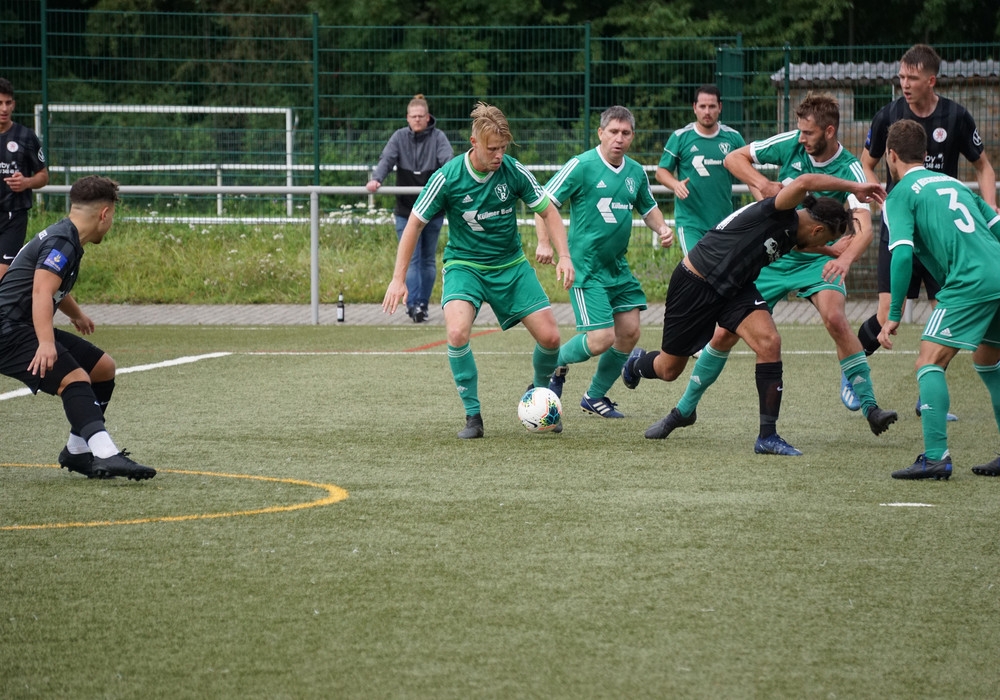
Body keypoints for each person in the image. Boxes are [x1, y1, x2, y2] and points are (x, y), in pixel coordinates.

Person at [654, 93, 896, 443]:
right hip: (773, 257)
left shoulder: (851, 170)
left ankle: (870, 406)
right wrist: (762, 183)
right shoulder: (790, 143)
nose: (802, 138)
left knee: (835, 318)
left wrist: (842, 259)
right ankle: (684, 409)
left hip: (818, 259)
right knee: (722, 335)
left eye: (809, 133)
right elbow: (734, 158)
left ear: (829, 131)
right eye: (800, 131)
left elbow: (865, 228)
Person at [621, 173, 887, 455]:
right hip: (696, 282)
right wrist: (855, 187)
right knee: (669, 369)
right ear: (817, 230)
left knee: (769, 342)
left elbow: (801, 243)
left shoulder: (796, 231)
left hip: (737, 288)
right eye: (827, 238)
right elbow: (805, 182)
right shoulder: (780, 209)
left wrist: (831, 252)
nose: (823, 244)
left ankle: (767, 437)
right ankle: (636, 364)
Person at [382, 102, 573, 439]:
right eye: (492, 149)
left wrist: (564, 256)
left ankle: (539, 396)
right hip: (465, 266)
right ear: (474, 143)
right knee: (457, 333)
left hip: (510, 265)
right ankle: (473, 417)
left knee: (551, 338)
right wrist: (398, 279)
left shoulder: (513, 170)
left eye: (503, 148)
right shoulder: (448, 177)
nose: (499, 155)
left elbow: (549, 211)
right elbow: (414, 224)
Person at [859, 44, 998, 422]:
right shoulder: (889, 115)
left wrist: (990, 206)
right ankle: (853, 370)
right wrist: (882, 200)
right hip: (903, 226)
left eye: (912, 78)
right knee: (886, 311)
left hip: (940, 235)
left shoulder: (955, 116)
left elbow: (983, 167)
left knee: (943, 314)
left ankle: (928, 400)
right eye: (901, 76)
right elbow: (866, 162)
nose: (904, 84)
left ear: (931, 80)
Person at [0, 175, 155, 480]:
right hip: (8, 331)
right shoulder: (62, 241)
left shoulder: (66, 236)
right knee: (75, 379)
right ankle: (106, 453)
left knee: (102, 368)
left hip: (22, 325)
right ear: (104, 214)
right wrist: (46, 343)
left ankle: (78, 450)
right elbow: (41, 291)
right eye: (113, 216)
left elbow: (50, 285)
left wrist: (77, 315)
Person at [876, 120, 1000, 480]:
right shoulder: (955, 184)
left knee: (928, 361)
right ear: (926, 154)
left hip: (969, 282)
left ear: (891, 155)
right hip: (995, 272)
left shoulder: (900, 195)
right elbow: (996, 226)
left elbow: (901, 255)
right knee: (988, 361)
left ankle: (935, 458)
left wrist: (894, 313)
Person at [534, 106, 674, 419]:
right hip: (586, 268)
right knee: (601, 339)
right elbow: (543, 203)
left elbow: (648, 209)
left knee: (630, 332)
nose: (619, 138)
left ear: (632, 136)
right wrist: (544, 243)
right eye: (613, 132)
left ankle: (594, 396)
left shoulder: (635, 172)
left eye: (625, 133)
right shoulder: (581, 165)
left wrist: (663, 227)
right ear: (601, 133)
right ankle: (555, 362)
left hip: (617, 268)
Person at [367, 94, 454, 323]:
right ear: (407, 118)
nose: (417, 120)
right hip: (406, 210)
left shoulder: (438, 138)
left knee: (427, 259)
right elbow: (387, 159)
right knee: (412, 259)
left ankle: (422, 304)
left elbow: (448, 162)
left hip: (432, 210)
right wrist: (377, 179)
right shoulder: (399, 137)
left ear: (428, 117)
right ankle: (413, 305)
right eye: (413, 116)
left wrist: (453, 182)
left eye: (420, 116)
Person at [655, 85, 746, 255]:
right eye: (702, 106)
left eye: (712, 106)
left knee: (722, 268)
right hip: (690, 223)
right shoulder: (681, 137)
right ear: (694, 107)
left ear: (720, 107)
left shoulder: (733, 138)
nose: (707, 111)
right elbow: (661, 172)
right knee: (696, 266)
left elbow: (749, 173)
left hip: (723, 221)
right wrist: (675, 185)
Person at [0, 78, 49, 279]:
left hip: (13, 217)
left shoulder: (26, 136)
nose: (4, 108)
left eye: (8, 103)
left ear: (14, 104)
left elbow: (43, 176)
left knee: (2, 275)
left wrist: (26, 182)